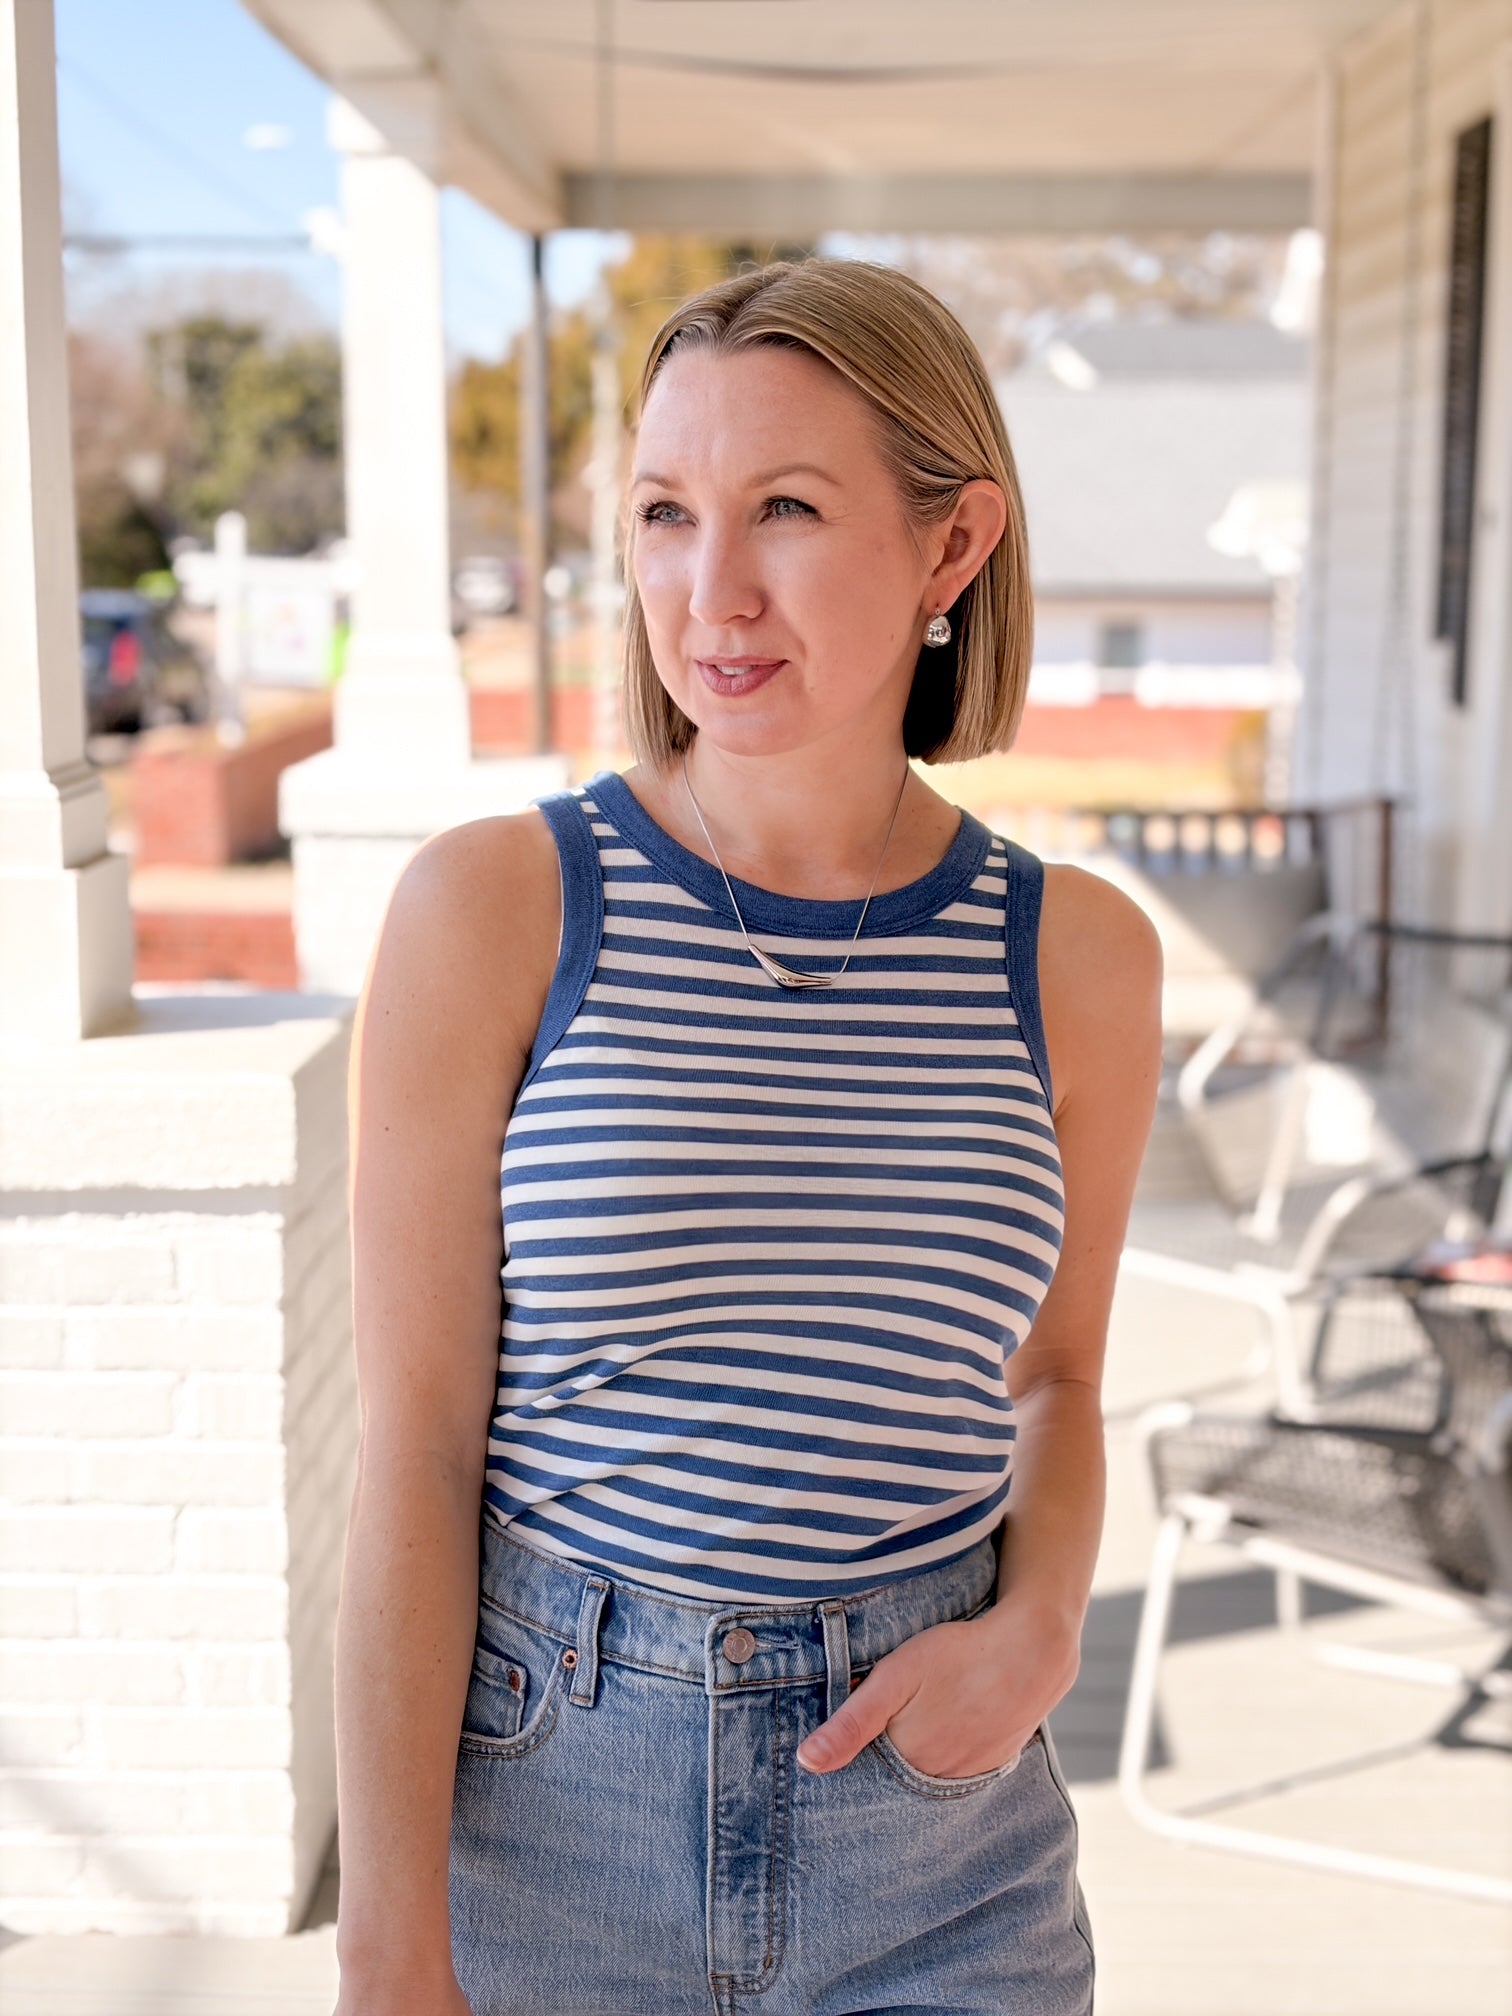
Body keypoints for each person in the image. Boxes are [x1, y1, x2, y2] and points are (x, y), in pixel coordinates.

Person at [332, 257, 1162, 2016]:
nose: (710, 591)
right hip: (545, 1812)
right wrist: (389, 1949)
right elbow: (413, 1449)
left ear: (954, 548)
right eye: (662, 513)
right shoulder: (498, 910)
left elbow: (1061, 1381)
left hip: (938, 1844)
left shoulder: (1078, 956)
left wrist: (1042, 1628)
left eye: (787, 507)